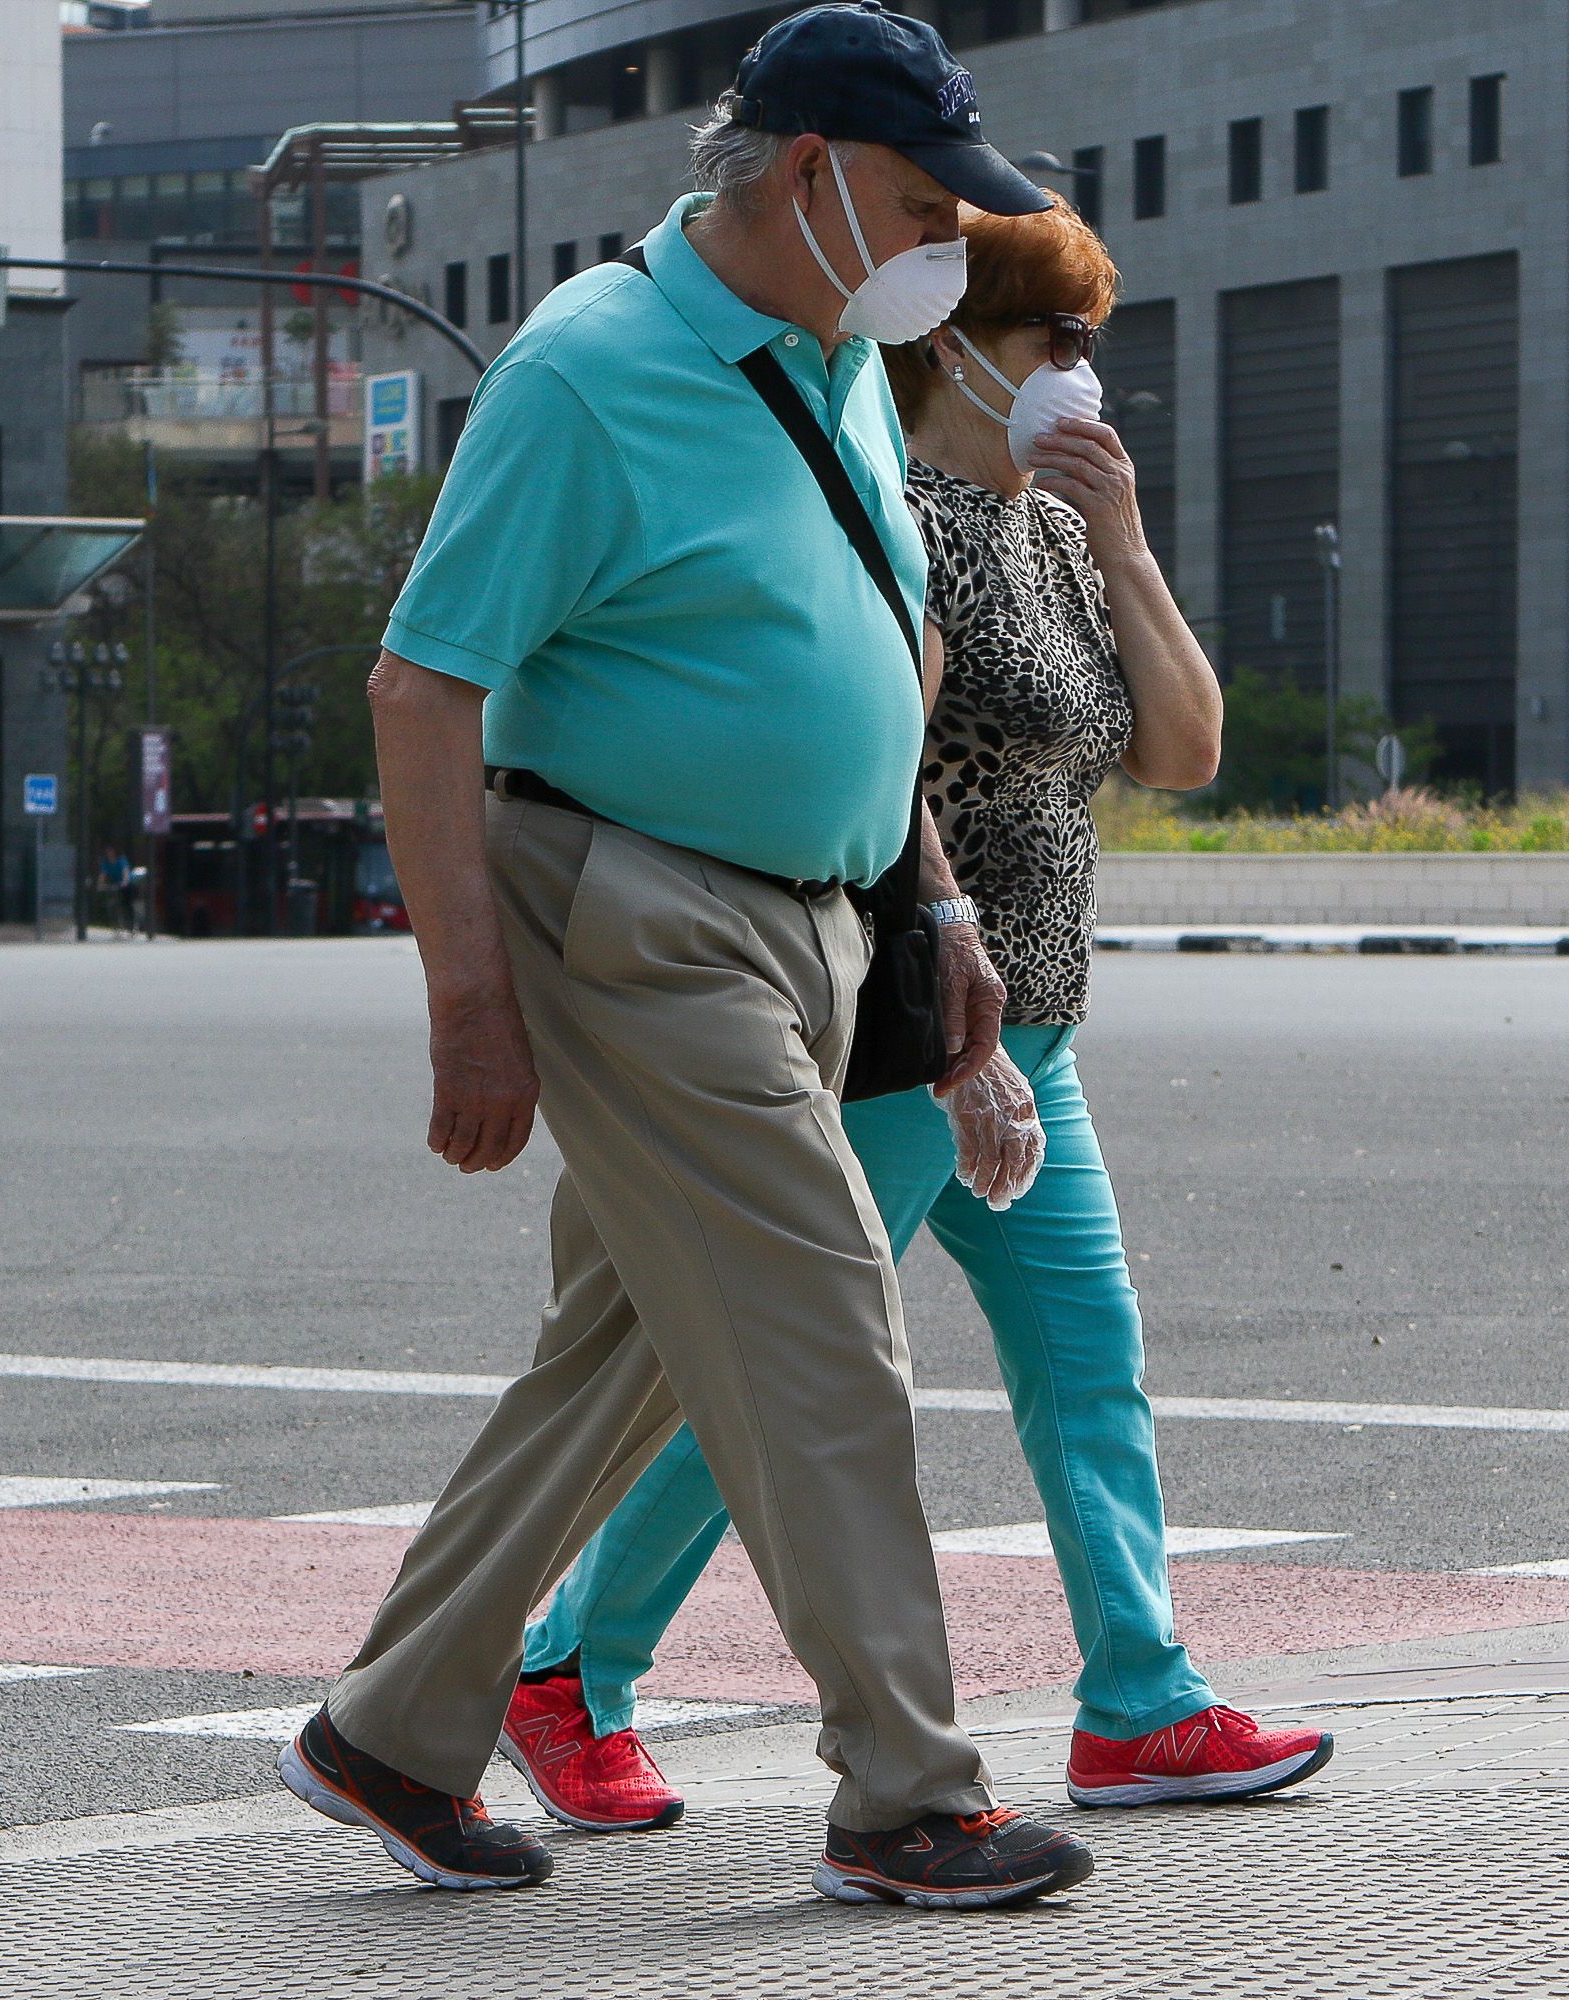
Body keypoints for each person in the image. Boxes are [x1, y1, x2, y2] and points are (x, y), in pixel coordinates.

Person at [279, 2, 1096, 1912]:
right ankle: (907, 1793)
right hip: (637, 915)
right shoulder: (589, 371)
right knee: (822, 1317)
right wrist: (470, 1007)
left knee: (631, 1344)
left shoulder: (832, 359)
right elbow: (425, 682)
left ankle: (391, 1730)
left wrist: (939, 904)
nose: (944, 253)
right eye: (917, 206)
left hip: (814, 922)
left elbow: (877, 662)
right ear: (806, 174)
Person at [497, 194, 1337, 1834]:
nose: (1084, 373)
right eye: (1056, 339)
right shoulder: (912, 520)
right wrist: (950, 1006)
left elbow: (1180, 751)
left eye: (1095, 343)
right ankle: (566, 1673)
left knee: (1090, 1363)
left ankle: (1140, 1704)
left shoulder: (1045, 525)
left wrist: (1128, 542)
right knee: (770, 1378)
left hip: (1043, 1039)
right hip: (905, 1035)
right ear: (953, 342)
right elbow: (879, 773)